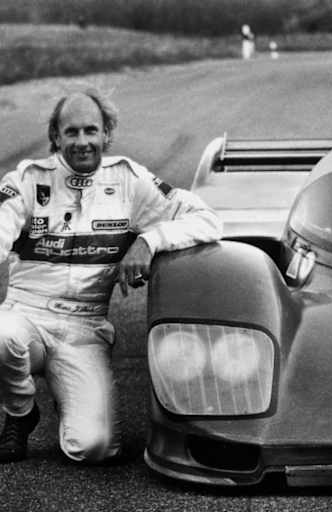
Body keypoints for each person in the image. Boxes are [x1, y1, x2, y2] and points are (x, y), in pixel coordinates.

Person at [0, 89, 223, 463]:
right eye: (71, 132)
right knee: (2, 337)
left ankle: (67, 392)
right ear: (55, 137)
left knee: (94, 448)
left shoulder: (130, 181)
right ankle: (22, 411)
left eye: (91, 130)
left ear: (107, 134)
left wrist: (150, 242)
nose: (82, 142)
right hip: (25, 315)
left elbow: (207, 220)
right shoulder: (25, 179)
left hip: (84, 327)